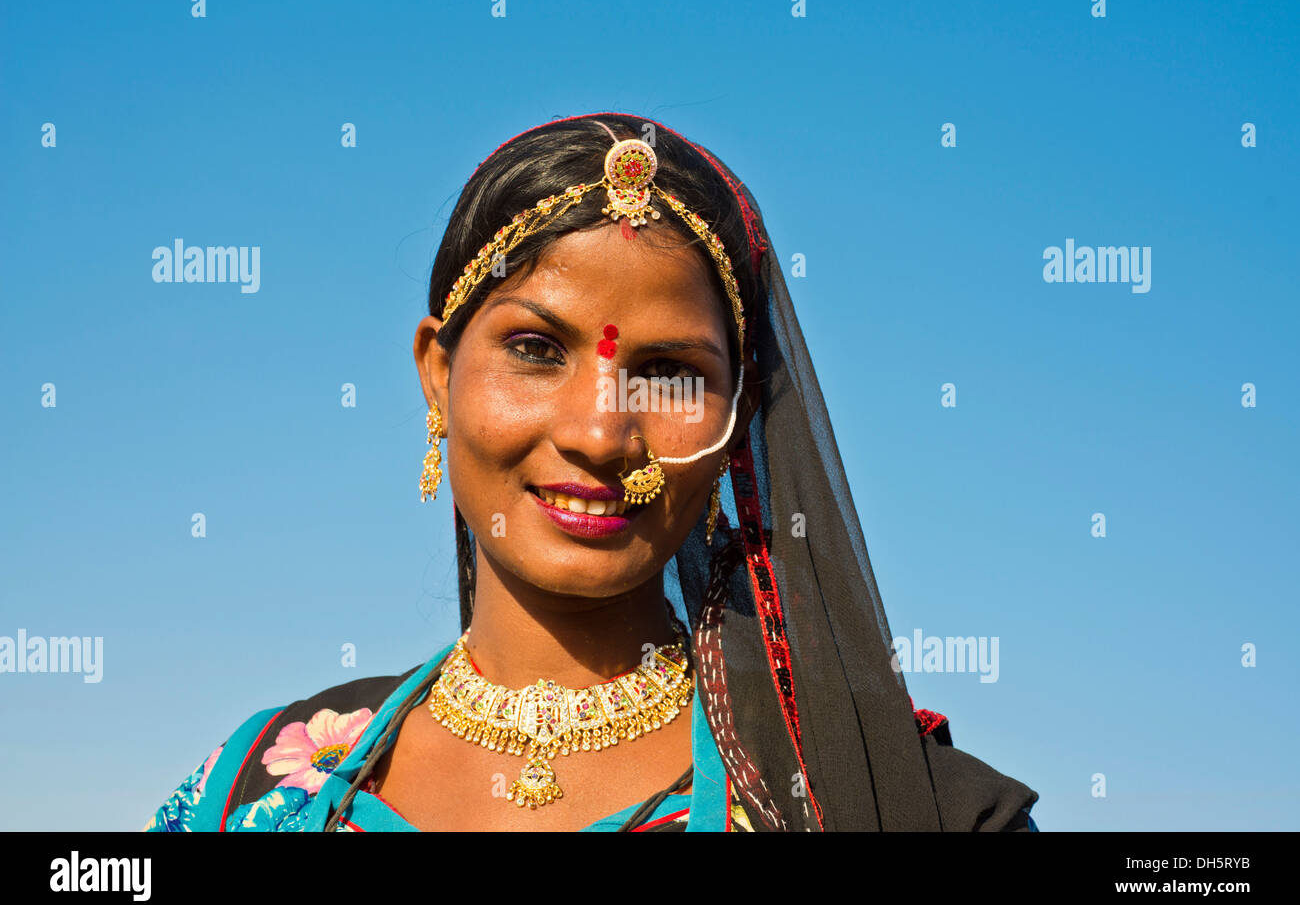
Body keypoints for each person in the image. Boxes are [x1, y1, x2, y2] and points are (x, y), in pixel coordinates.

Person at [144, 112, 1040, 832]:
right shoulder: (257, 783)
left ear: (738, 418)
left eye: (670, 373)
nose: (601, 432)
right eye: (536, 349)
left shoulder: (894, 804)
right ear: (438, 374)